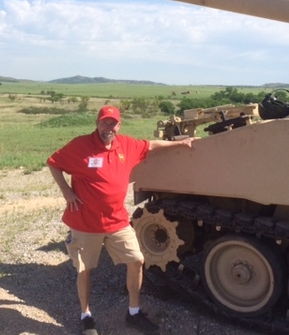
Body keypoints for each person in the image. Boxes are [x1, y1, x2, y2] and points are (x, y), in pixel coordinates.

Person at [47, 105, 195, 335]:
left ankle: (133, 312)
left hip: (117, 222)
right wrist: (66, 191)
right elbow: (54, 163)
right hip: (86, 222)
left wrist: (180, 143)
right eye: (104, 122)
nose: (108, 127)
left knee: (136, 260)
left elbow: (152, 145)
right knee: (85, 269)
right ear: (97, 123)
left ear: (119, 125)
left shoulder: (126, 145)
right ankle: (86, 316)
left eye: (113, 123)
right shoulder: (80, 146)